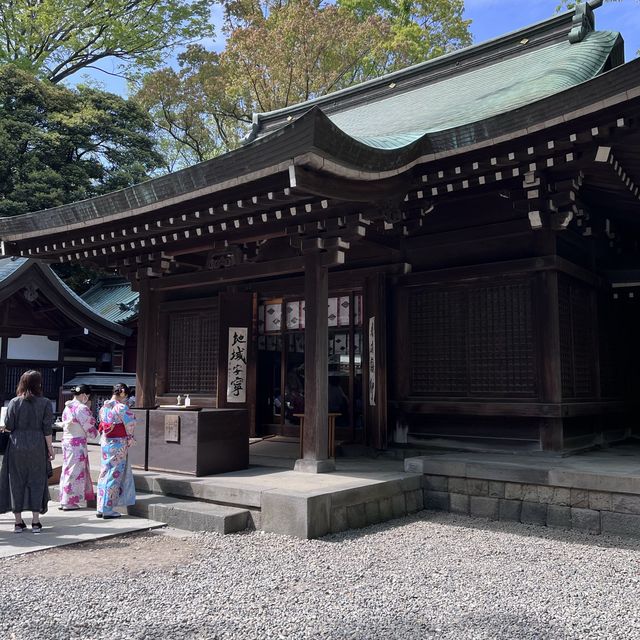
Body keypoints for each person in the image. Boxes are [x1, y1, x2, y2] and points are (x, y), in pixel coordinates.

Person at [0, 370, 54, 533]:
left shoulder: (14, 402)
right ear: (38, 384)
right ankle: (36, 522)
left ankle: (18, 522)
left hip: (16, 445)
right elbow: (47, 429)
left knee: (16, 481)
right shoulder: (45, 403)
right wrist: (50, 449)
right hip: (37, 445)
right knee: (37, 480)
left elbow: (9, 426)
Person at [96, 383, 136, 519]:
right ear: (123, 393)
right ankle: (107, 509)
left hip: (106, 443)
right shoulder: (121, 407)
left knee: (104, 473)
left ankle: (101, 507)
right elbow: (130, 424)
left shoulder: (104, 407)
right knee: (114, 474)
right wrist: (130, 437)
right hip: (118, 444)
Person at [58, 384, 98, 511]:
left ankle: (64, 499)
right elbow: (89, 426)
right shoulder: (81, 408)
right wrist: (98, 436)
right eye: (87, 395)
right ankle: (68, 501)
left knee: (67, 469)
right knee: (74, 471)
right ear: (84, 395)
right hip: (77, 443)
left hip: (67, 440)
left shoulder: (68, 407)